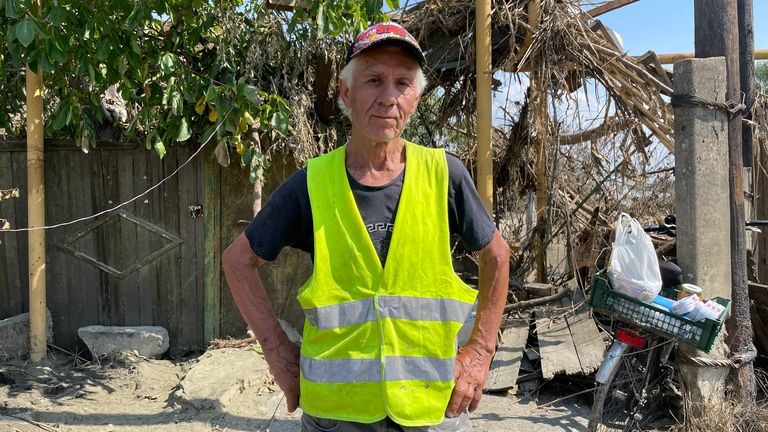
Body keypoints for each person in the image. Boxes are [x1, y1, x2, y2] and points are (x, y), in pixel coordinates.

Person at [222, 22, 510, 432]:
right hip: (336, 415)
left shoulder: (444, 175)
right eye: (373, 80)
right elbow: (238, 261)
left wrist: (480, 351)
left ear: (417, 97)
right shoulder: (312, 183)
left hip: (428, 409)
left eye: (403, 83)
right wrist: (277, 351)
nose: (388, 97)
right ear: (345, 93)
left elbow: (496, 256)